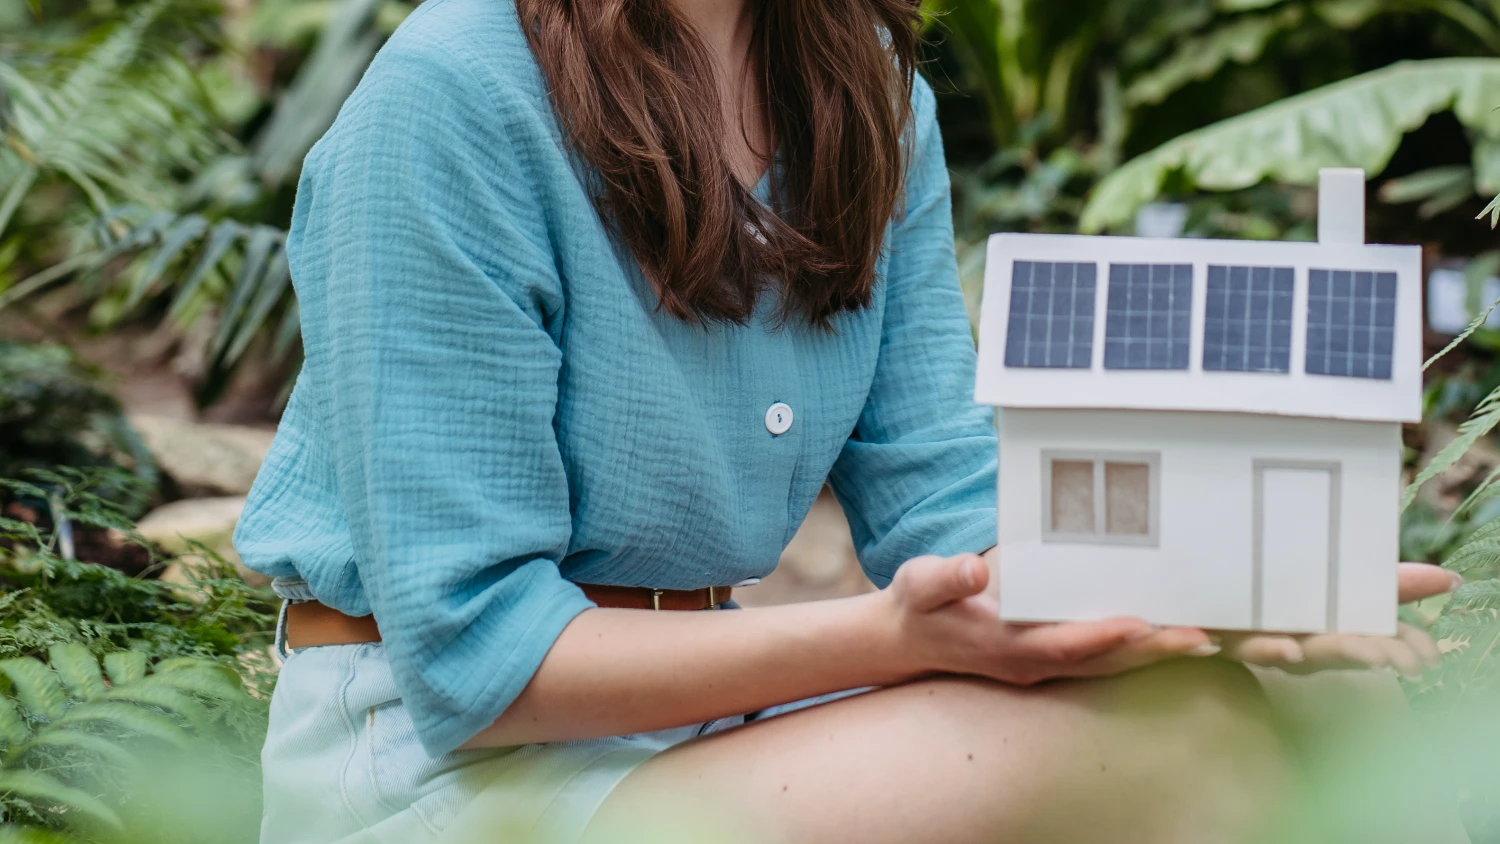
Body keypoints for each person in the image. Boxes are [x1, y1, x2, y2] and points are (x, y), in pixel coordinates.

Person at [233, 0, 1457, 841]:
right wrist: (899, 639)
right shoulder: (449, 98)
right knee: (1179, 743)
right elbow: (475, 664)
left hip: (692, 721)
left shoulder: (866, 94)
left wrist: (1199, 594)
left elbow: (949, 500)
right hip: (448, 769)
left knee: (1322, 695)